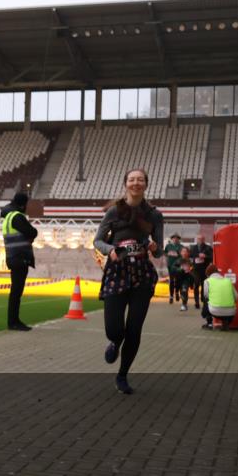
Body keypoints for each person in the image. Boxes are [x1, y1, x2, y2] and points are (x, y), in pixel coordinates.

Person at [94, 168, 164, 395]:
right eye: (132, 179)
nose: (136, 183)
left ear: (146, 184)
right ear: (126, 184)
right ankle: (115, 342)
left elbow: (159, 251)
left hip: (142, 275)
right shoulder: (114, 211)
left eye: (140, 180)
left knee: (134, 329)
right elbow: (97, 241)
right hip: (117, 272)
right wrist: (111, 250)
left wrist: (154, 247)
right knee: (114, 329)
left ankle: (122, 375)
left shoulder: (154, 215)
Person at [0, 192, 38, 331]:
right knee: (16, 292)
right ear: (23, 204)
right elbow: (32, 232)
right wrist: (32, 234)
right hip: (20, 257)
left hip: (12, 256)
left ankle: (13, 320)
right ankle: (13, 321)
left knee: (15, 291)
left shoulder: (8, 217)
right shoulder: (17, 217)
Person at [202, 264, 238, 330]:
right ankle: (225, 324)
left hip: (215, 311)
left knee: (205, 299)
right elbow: (236, 296)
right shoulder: (228, 281)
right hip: (231, 313)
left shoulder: (207, 281)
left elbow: (206, 295)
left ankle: (209, 323)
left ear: (208, 274)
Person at [188, 233, 213, 310]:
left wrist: (205, 256)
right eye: (199, 239)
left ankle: (203, 298)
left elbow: (212, 257)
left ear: (204, 240)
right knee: (196, 284)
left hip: (205, 269)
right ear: (197, 240)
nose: (200, 240)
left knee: (203, 285)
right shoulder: (193, 247)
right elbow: (190, 255)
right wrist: (197, 255)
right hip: (195, 269)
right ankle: (196, 302)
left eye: (202, 239)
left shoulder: (208, 248)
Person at [164, 233, 184, 304]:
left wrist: (177, 254)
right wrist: (168, 254)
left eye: (177, 238)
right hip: (170, 265)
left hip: (177, 265)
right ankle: (171, 296)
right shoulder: (168, 246)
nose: (175, 239)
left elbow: (183, 255)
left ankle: (177, 292)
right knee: (171, 280)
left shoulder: (181, 246)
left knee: (177, 280)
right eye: (174, 238)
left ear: (178, 239)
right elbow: (165, 253)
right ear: (172, 239)